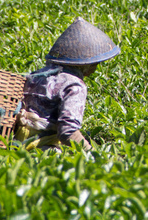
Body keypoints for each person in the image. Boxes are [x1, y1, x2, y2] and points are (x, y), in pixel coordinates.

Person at [13, 17, 120, 151]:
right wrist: (93, 154)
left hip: (14, 143)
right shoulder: (74, 85)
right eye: (95, 64)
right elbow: (68, 132)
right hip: (41, 149)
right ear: (86, 64)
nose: (96, 67)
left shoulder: (36, 75)